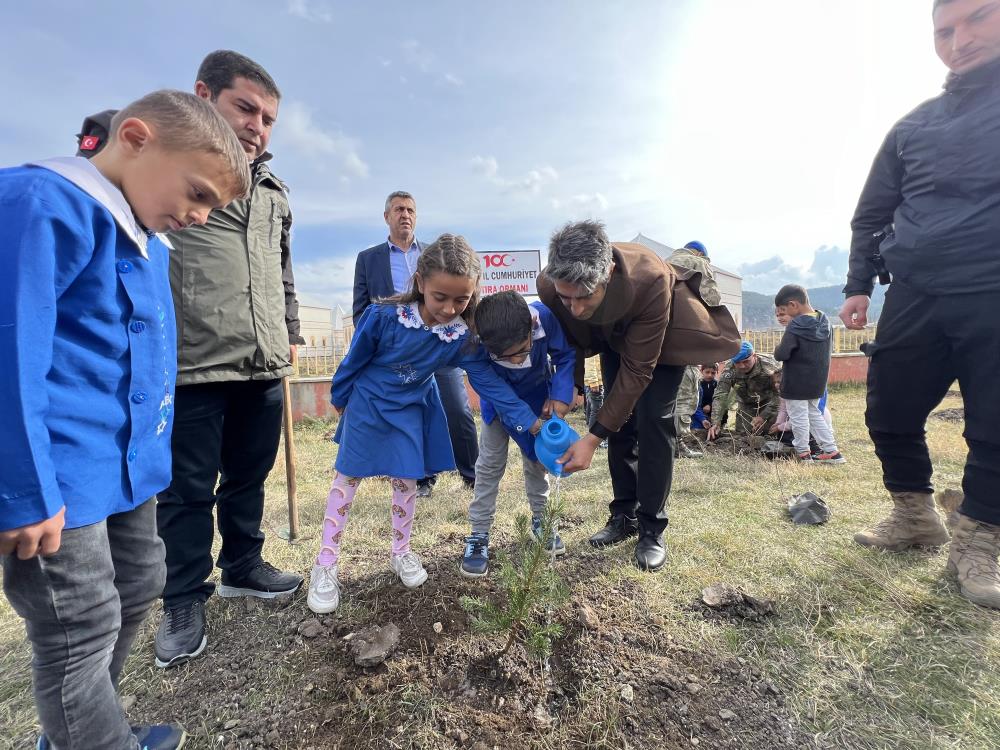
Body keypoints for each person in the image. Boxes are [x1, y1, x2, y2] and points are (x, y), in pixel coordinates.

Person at [1, 91, 250, 750]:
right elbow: (9, 345)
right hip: (60, 478)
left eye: (212, 210)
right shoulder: (41, 203)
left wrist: (152, 463)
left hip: (127, 471)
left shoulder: (150, 242)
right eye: (197, 193)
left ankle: (80, 730)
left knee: (140, 583)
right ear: (135, 137)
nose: (198, 216)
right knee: (77, 625)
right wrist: (23, 490)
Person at [840, 0, 1000, 608]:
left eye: (978, 18)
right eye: (944, 30)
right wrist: (859, 284)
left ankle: (979, 535)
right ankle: (913, 512)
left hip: (993, 289)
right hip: (915, 290)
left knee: (994, 421)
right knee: (888, 406)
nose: (960, 40)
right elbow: (872, 213)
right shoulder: (913, 127)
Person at [308, 236, 542, 613]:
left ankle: (401, 551)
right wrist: (340, 397)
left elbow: (490, 384)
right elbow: (354, 360)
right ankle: (326, 562)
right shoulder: (383, 318)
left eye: (461, 299)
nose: (450, 309)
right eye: (440, 297)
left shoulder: (461, 339)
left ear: (473, 294)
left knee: (407, 480)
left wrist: (529, 422)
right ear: (420, 283)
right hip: (368, 405)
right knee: (347, 479)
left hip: (411, 409)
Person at [537, 221, 730, 571]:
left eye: (584, 297)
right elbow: (568, 340)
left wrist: (593, 439)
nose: (574, 308)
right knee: (621, 422)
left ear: (608, 272)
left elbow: (639, 371)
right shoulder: (550, 286)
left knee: (655, 421)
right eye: (566, 298)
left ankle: (652, 527)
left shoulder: (651, 278)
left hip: (662, 338)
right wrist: (572, 390)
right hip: (611, 336)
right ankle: (623, 515)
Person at [353, 191, 479, 497]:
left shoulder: (434, 256)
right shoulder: (369, 259)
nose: (405, 214)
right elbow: (361, 310)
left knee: (457, 410)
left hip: (440, 345)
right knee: (411, 415)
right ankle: (421, 479)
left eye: (410, 209)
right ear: (387, 216)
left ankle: (473, 474)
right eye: (398, 209)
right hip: (398, 354)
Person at [460, 291, 577, 577]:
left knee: (538, 462)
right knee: (489, 466)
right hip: (499, 407)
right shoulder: (472, 345)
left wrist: (561, 395)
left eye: (523, 350)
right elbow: (499, 393)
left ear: (530, 329)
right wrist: (529, 422)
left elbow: (565, 355)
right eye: (505, 356)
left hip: (539, 399)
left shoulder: (544, 317)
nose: (516, 361)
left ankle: (542, 521)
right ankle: (478, 535)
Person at [773, 285, 845, 464]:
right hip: (817, 381)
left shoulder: (795, 325)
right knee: (814, 414)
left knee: (798, 417)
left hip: (796, 381)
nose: (784, 314)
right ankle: (832, 452)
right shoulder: (825, 321)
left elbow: (782, 354)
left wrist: (776, 349)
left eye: (784, 310)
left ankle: (803, 453)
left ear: (793, 305)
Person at [707, 343, 781, 440]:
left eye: (746, 361)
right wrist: (716, 422)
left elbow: (780, 394)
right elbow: (721, 395)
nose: (742, 366)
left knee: (770, 436)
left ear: (754, 356)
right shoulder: (729, 369)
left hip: (769, 404)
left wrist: (763, 416)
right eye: (737, 363)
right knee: (743, 437)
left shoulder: (770, 366)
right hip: (746, 405)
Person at [667, 240, 722, 306]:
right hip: (683, 309)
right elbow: (712, 295)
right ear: (700, 254)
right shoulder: (699, 261)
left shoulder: (666, 261)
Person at [674, 365, 704, 458]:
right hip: (684, 363)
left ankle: (674, 443)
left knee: (688, 402)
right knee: (682, 403)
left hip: (689, 364)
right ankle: (676, 446)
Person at [692, 363, 719, 429]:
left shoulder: (717, 384)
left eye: (713, 373)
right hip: (698, 411)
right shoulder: (697, 384)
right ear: (701, 371)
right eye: (707, 372)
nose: (710, 375)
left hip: (712, 411)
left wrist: (710, 405)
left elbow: (719, 398)